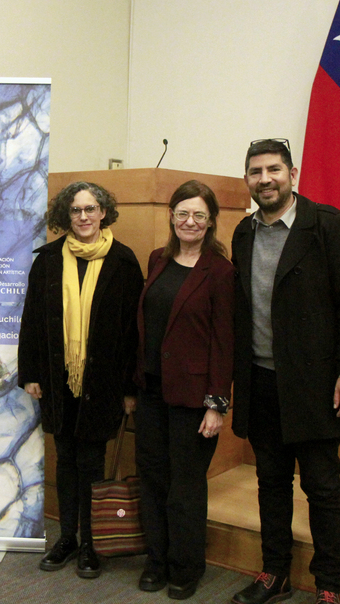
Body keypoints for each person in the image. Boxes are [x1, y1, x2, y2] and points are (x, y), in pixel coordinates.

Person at [230, 139, 340, 604]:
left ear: (294, 174)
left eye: (273, 169)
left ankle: (329, 586)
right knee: (270, 484)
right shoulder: (243, 233)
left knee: (323, 489)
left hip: (313, 385)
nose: (264, 179)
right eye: (255, 172)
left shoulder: (325, 225)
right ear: (247, 180)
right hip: (260, 382)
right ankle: (275, 573)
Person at [18, 181, 144, 579]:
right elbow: (32, 322)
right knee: (66, 460)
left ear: (104, 212)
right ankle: (67, 538)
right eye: (76, 211)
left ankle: (92, 543)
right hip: (57, 379)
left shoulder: (123, 262)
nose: (84, 217)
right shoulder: (48, 260)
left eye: (91, 209)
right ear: (66, 216)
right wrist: (30, 374)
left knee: (91, 462)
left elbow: (133, 332)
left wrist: (129, 388)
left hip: (102, 383)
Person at [133, 179, 234, 601]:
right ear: (172, 216)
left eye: (198, 215)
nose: (189, 222)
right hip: (152, 392)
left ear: (210, 222)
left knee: (185, 487)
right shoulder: (157, 259)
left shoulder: (221, 271)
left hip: (195, 400)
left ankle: (186, 566)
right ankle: (156, 561)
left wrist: (217, 405)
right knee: (153, 479)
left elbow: (224, 342)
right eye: (182, 214)